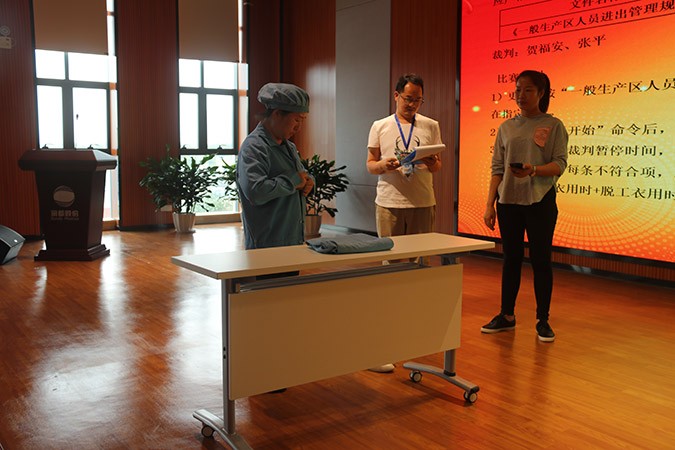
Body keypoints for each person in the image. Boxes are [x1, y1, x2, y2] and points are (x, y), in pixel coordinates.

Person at [481, 70, 568, 343]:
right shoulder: (506, 127)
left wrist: (533, 170)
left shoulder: (554, 125)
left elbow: (560, 164)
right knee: (511, 260)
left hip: (540, 201)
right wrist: (489, 205)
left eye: (528, 90)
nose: (520, 95)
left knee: (541, 260)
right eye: (518, 89)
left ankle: (543, 320)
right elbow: (497, 168)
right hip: (508, 201)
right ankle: (507, 316)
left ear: (541, 94)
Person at [366, 73, 442, 372]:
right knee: (391, 266)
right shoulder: (380, 126)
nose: (412, 104)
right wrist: (383, 165)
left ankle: (414, 326)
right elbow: (370, 165)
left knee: (420, 265)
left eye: (418, 100)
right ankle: (386, 328)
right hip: (390, 203)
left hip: (423, 202)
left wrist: (433, 163)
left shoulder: (430, 125)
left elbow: (437, 165)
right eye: (408, 98)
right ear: (396, 95)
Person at [236, 82, 313, 251]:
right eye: (296, 120)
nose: (299, 127)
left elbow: (300, 176)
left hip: (292, 241)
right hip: (267, 245)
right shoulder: (254, 147)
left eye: (302, 121)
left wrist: (308, 181)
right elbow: (255, 191)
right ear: (277, 114)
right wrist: (293, 181)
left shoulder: (289, 146)